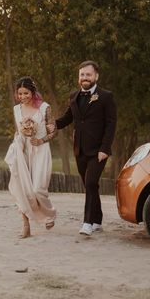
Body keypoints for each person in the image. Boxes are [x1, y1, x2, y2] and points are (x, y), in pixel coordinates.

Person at [55, 61, 117, 236]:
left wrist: (105, 148)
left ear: (96, 76)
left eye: (88, 75)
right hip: (80, 150)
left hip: (99, 151)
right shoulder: (74, 96)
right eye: (82, 75)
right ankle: (98, 220)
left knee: (90, 183)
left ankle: (88, 223)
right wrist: (50, 124)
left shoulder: (105, 96)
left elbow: (111, 124)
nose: (85, 78)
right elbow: (68, 118)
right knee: (91, 186)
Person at [5, 77, 57, 238]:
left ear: (32, 92)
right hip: (23, 151)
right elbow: (18, 131)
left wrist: (40, 140)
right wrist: (19, 141)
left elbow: (53, 131)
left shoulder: (44, 108)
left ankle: (49, 214)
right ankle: (26, 225)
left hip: (40, 150)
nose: (22, 97)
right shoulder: (16, 109)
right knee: (23, 189)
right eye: (19, 94)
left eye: (26, 93)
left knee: (38, 189)